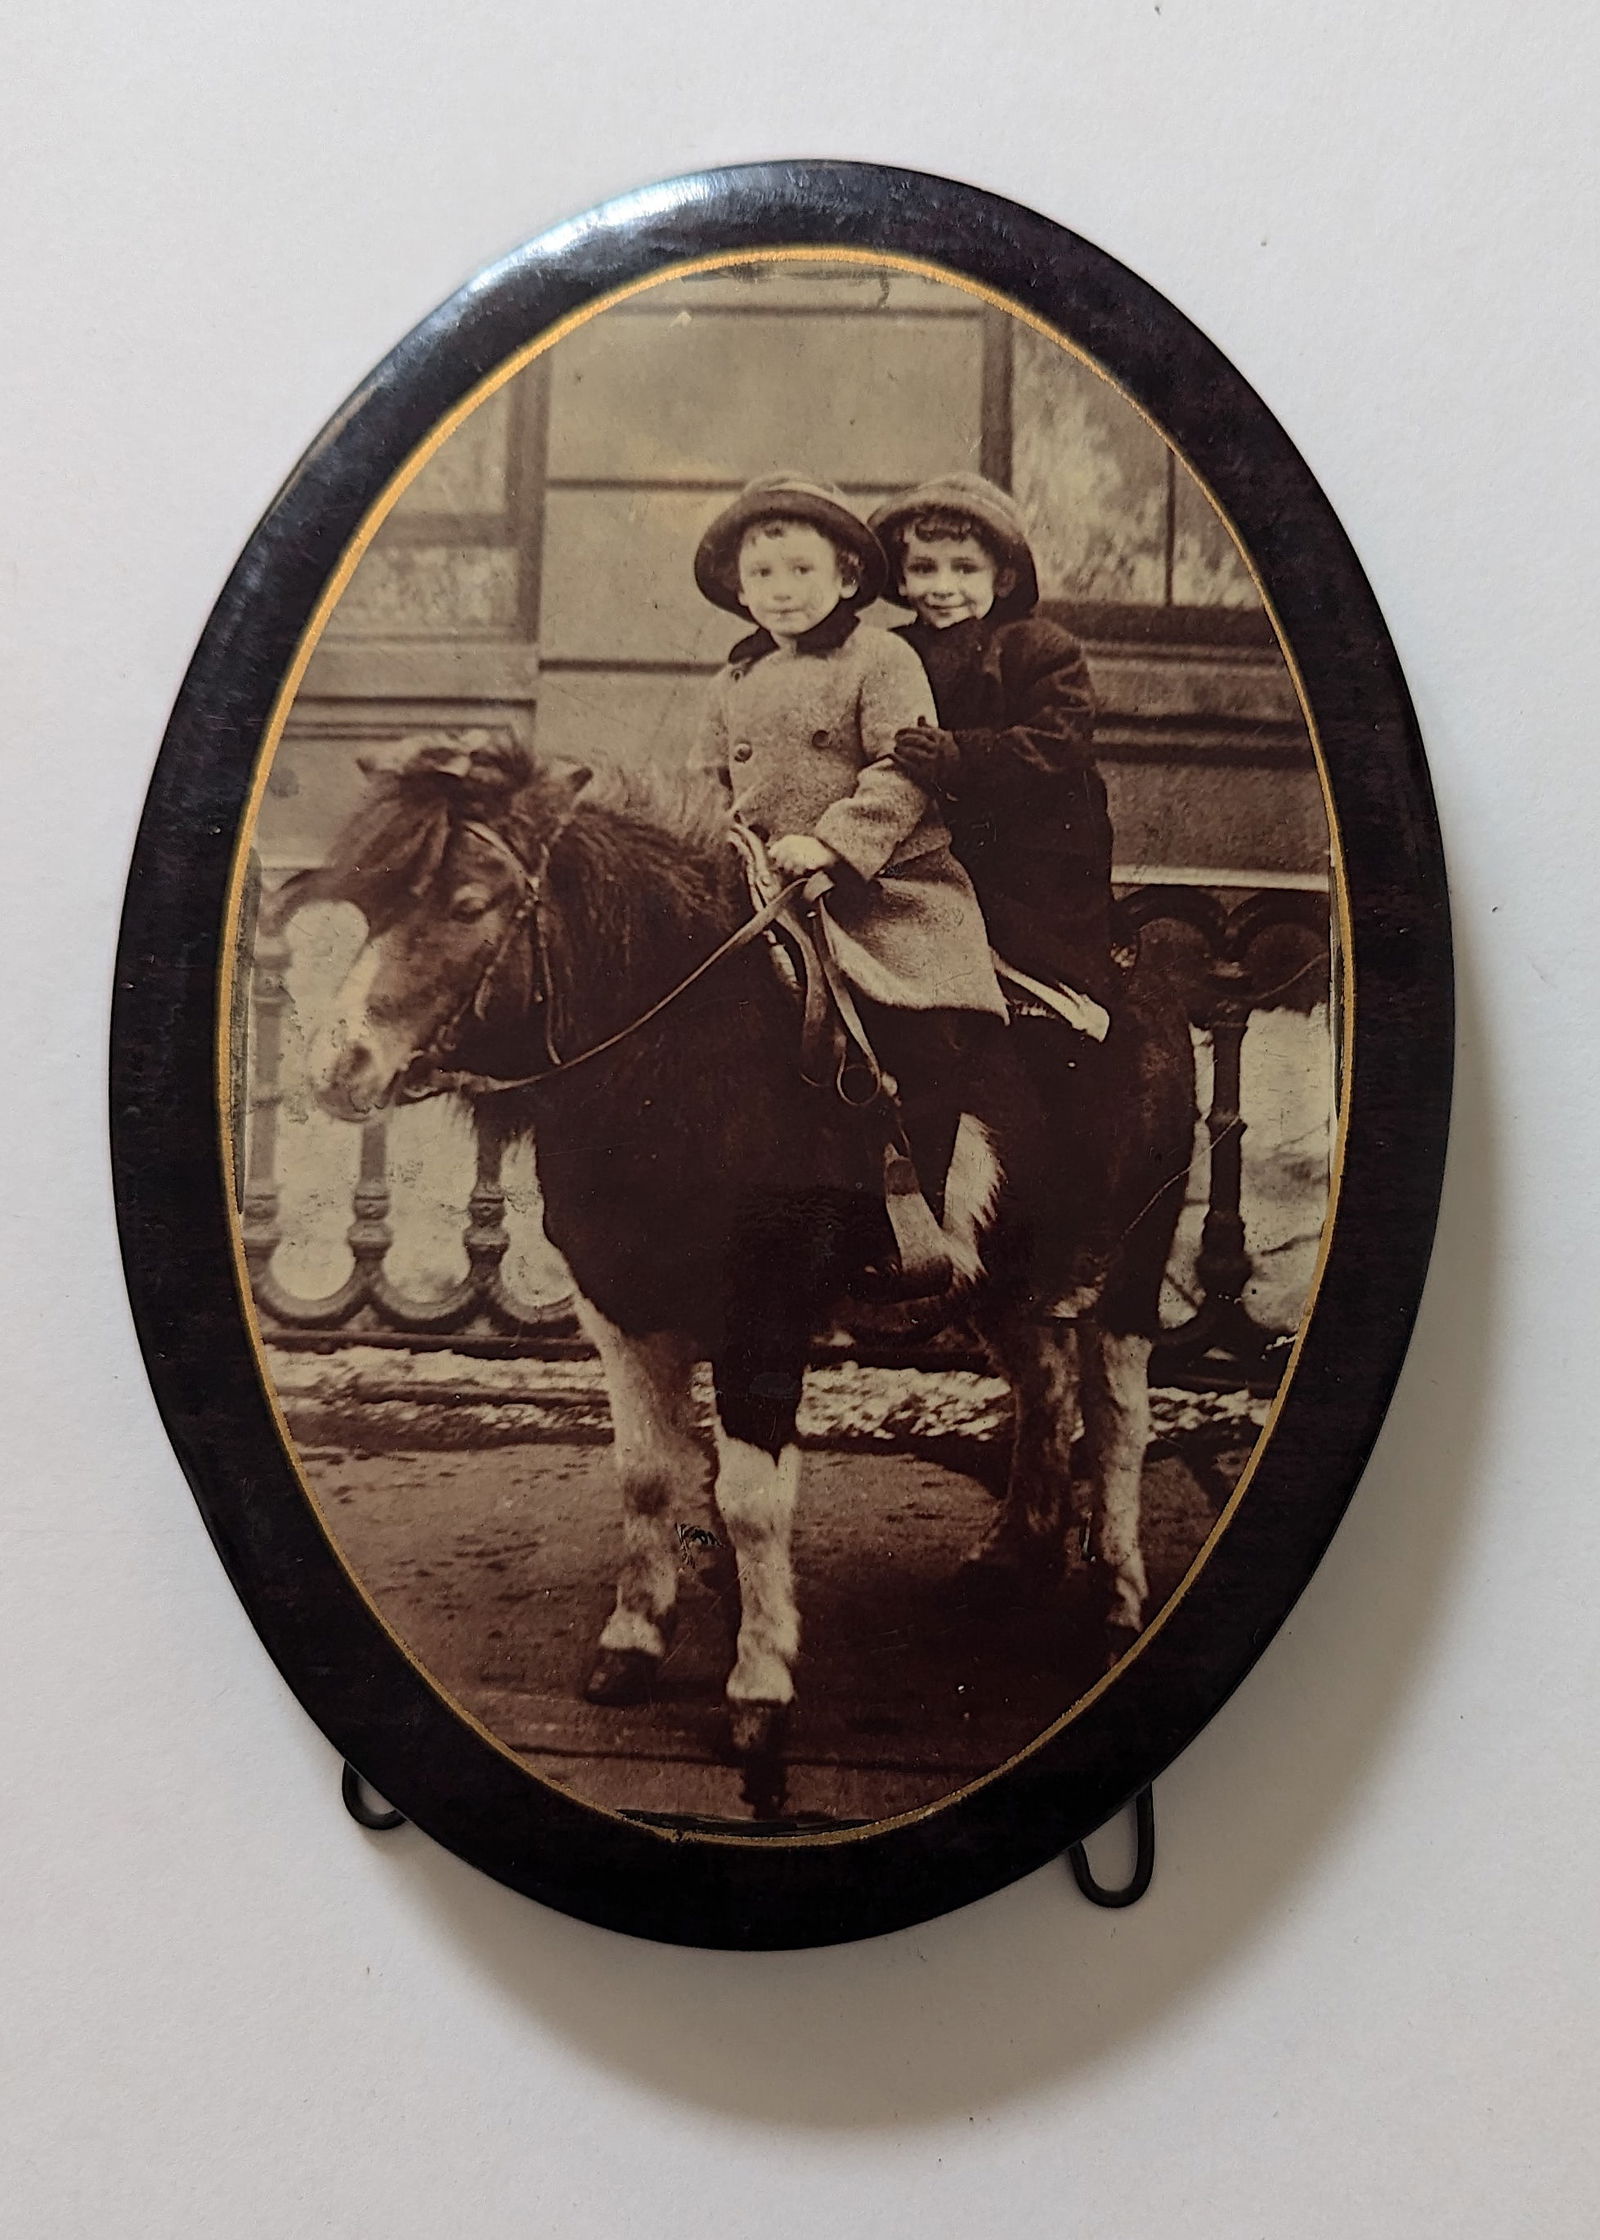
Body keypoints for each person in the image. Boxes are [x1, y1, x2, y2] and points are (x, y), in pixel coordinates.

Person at [691, 474, 1006, 1215]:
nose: (782, 590)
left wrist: (831, 845)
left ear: (847, 576)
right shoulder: (734, 677)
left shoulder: (879, 660)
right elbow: (704, 782)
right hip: (766, 890)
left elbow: (904, 768)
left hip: (888, 891)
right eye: (762, 574)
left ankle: (916, 1211)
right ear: (739, 590)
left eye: (803, 571)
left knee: (921, 1041)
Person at [870, 473, 1123, 1308]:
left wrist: (961, 758)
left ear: (1001, 577)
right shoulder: (892, 650)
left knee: (1064, 1035)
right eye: (923, 569)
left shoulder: (1041, 648)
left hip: (1034, 870)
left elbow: (1057, 745)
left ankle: (1076, 1244)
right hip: (930, 862)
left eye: (962, 569)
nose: (941, 587)